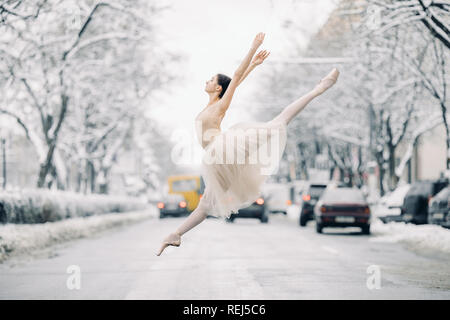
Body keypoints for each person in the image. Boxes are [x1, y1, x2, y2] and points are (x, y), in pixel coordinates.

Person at [156, 32, 339, 256]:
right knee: (205, 205)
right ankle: (175, 235)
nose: (207, 81)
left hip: (225, 148)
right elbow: (236, 80)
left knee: (280, 121)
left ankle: (319, 88)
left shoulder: (220, 107)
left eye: (211, 80)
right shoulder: (210, 105)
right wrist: (253, 65)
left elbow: (235, 77)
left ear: (218, 89)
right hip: (216, 159)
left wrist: (253, 47)